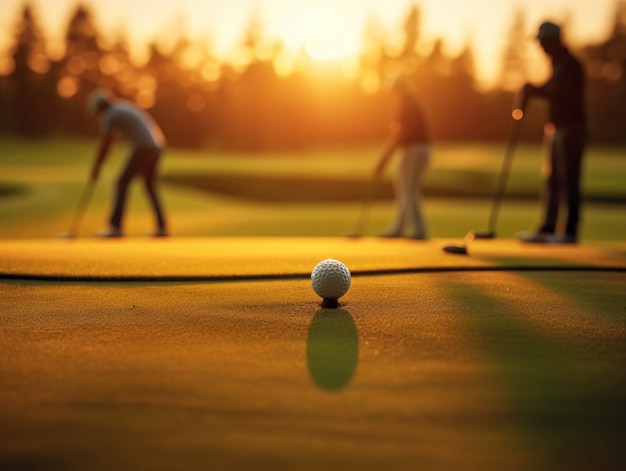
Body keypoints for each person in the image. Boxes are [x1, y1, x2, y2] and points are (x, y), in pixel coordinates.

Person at [518, 21, 588, 244]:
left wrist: (534, 90)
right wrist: (533, 89)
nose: (541, 47)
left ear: (553, 41)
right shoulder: (558, 64)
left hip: (572, 129)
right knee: (552, 180)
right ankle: (549, 228)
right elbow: (550, 88)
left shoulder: (571, 65)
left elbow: (561, 93)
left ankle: (569, 231)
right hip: (557, 129)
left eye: (543, 42)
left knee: (569, 179)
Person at [87, 88, 168, 238]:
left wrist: (97, 166)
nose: (98, 115)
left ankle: (115, 227)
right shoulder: (121, 108)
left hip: (144, 147)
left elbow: (107, 142)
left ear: (100, 107)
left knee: (122, 182)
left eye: (97, 111)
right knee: (150, 185)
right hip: (157, 146)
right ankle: (162, 227)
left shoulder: (111, 115)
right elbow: (114, 138)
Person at [374, 77, 431, 240]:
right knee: (407, 188)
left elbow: (400, 133)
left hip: (413, 149)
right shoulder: (412, 103)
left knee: (406, 188)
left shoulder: (407, 106)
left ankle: (414, 229)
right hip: (421, 148)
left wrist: (384, 158)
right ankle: (404, 227)